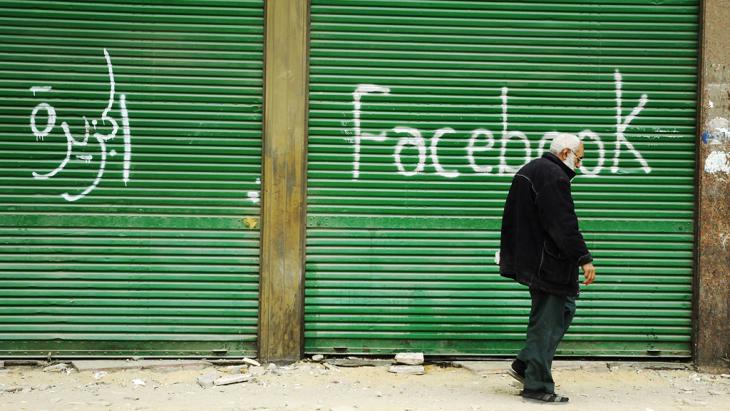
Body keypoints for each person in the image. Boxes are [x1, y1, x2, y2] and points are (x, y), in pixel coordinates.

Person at [498, 134, 597, 403]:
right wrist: (583, 257)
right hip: (548, 263)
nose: (580, 165)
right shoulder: (553, 176)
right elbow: (563, 223)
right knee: (547, 322)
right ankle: (537, 386)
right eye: (579, 158)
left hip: (537, 260)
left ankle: (525, 363)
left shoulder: (533, 169)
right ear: (565, 152)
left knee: (564, 309)